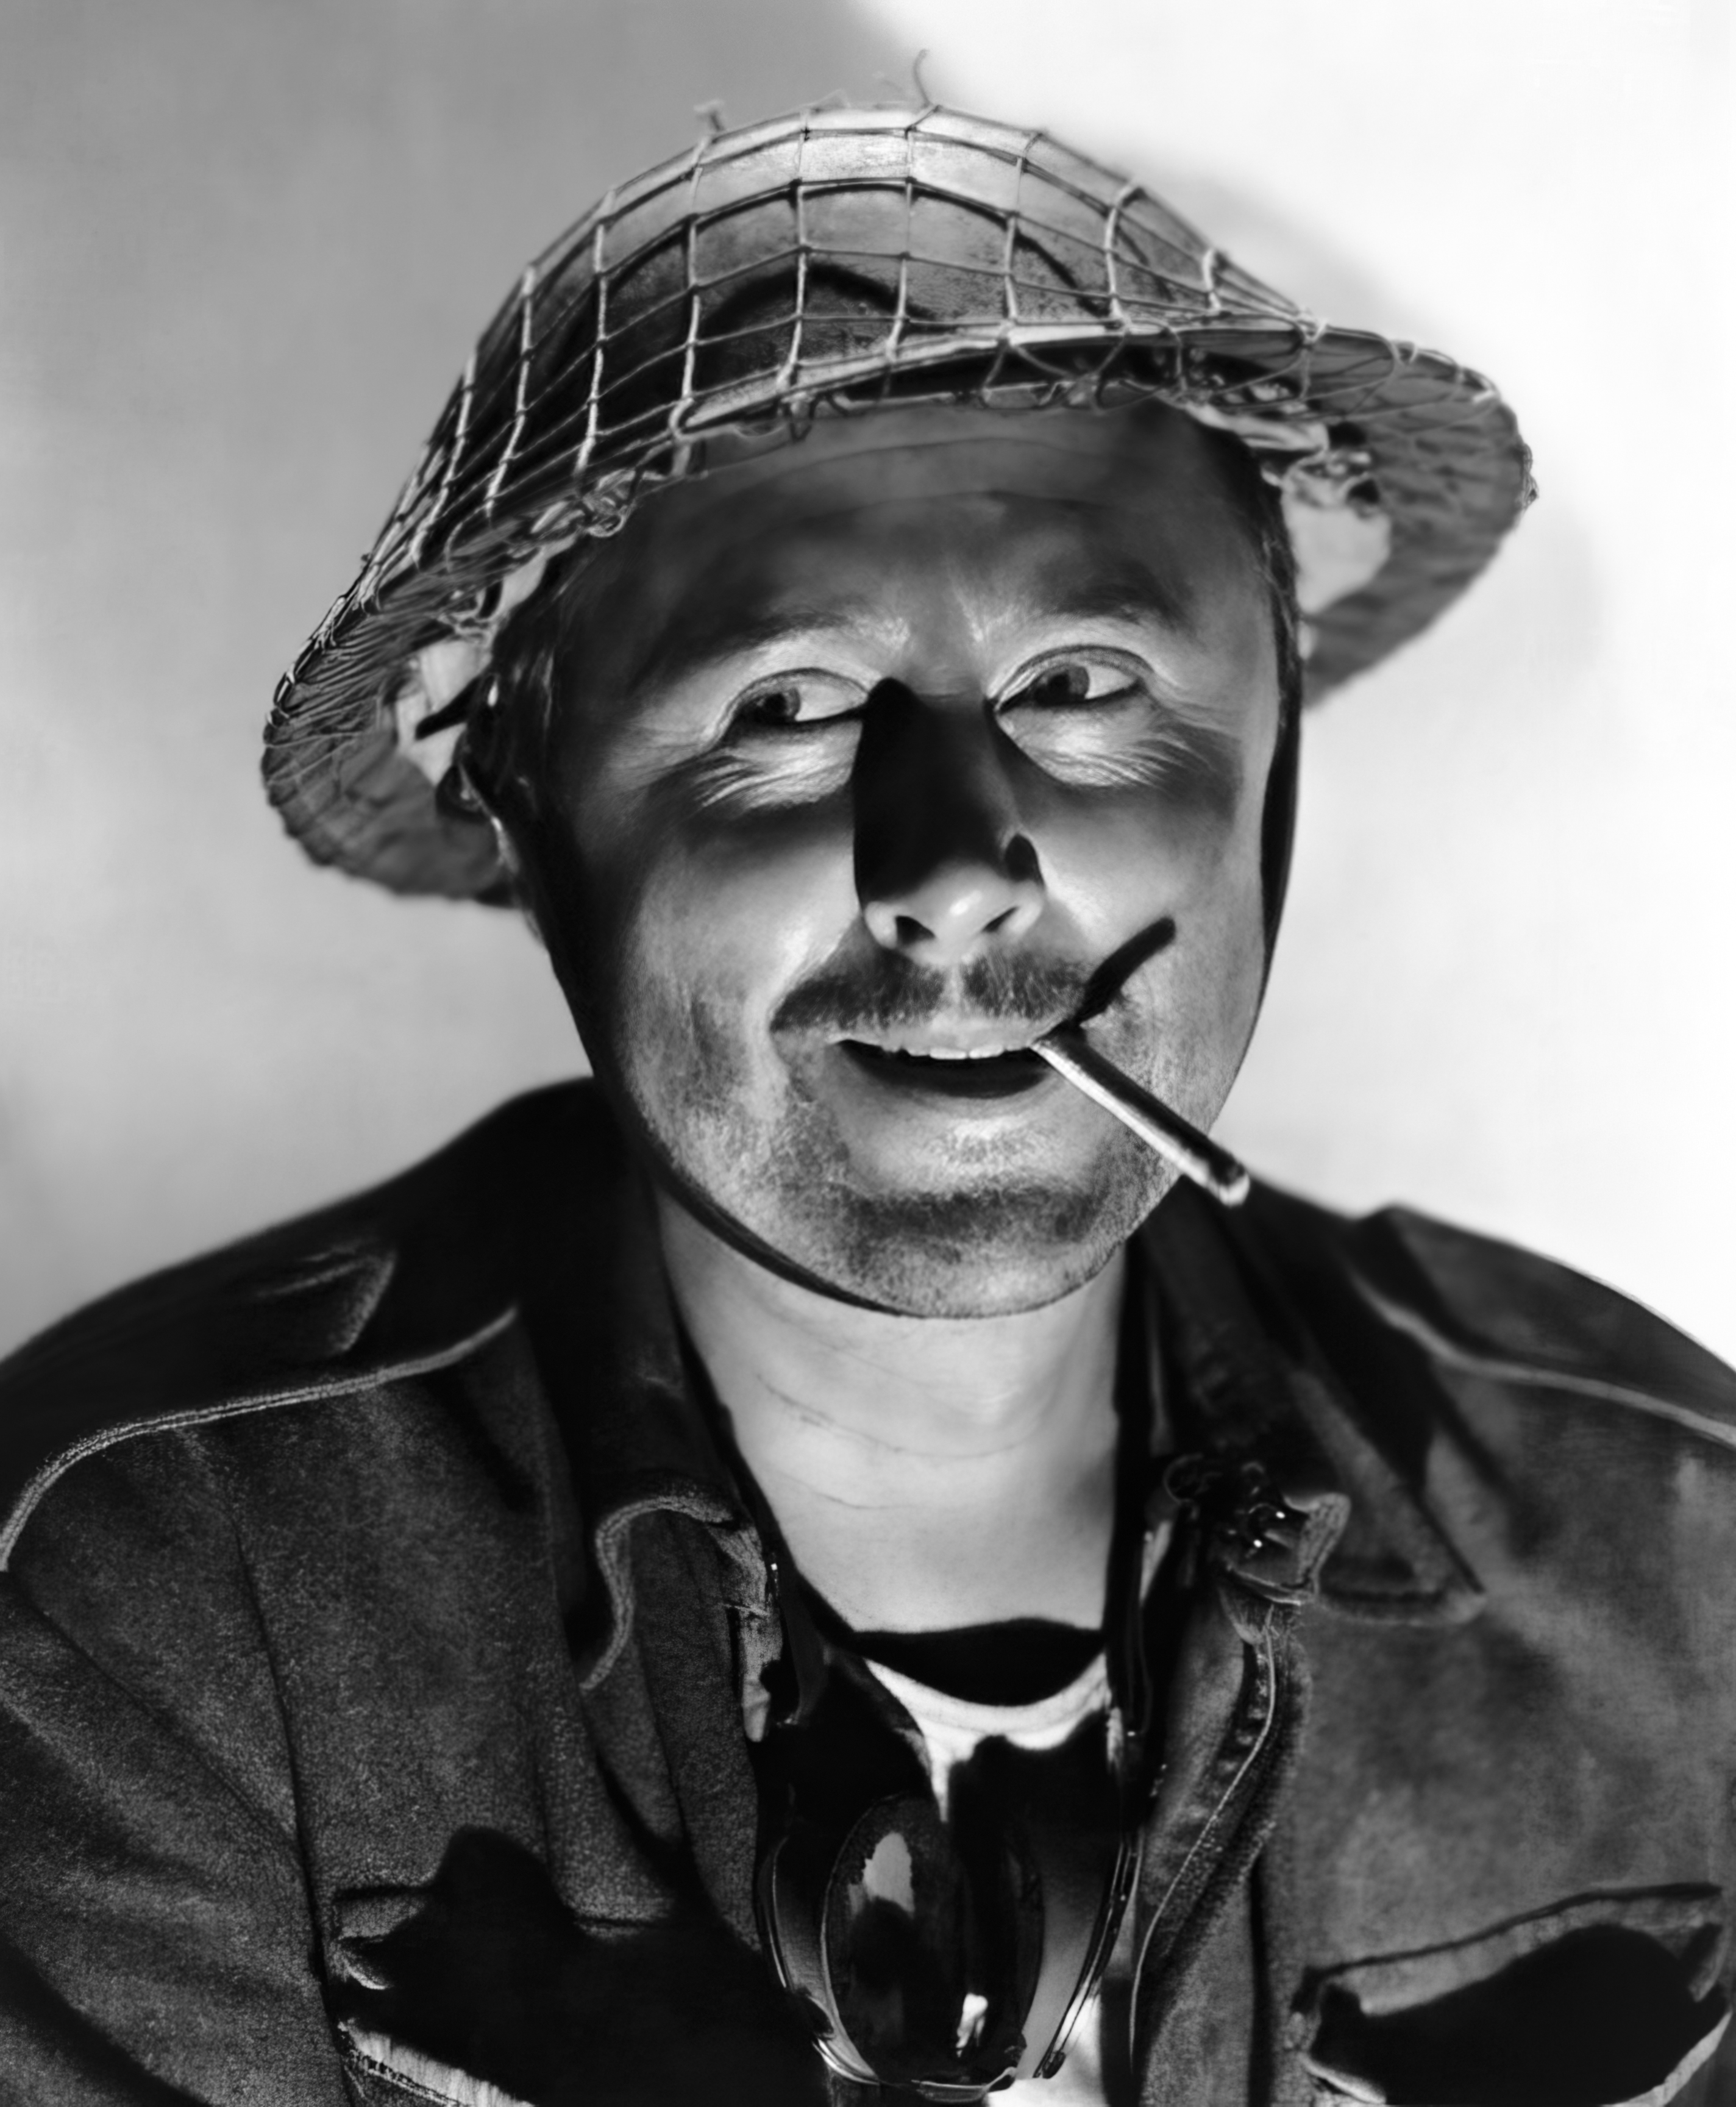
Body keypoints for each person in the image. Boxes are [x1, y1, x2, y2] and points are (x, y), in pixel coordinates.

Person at [1, 102, 1732, 2107]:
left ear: (1271, 774)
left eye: (1082, 685)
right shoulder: (150, 1606)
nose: (954, 871)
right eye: (788, 707)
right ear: (533, 823)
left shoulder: (1666, 1541)